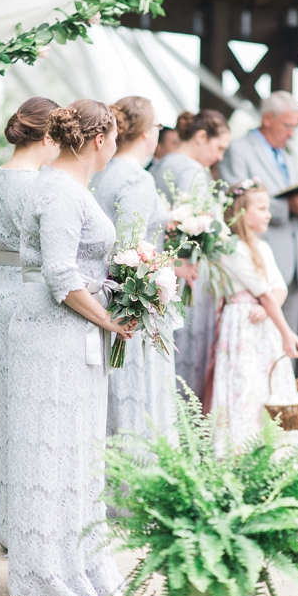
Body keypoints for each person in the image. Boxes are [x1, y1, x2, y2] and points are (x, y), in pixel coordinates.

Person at [7, 101, 135, 596]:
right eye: (115, 137)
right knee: (52, 450)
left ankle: (80, 557)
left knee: (77, 451)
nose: (118, 147)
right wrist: (110, 320)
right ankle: (46, 570)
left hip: (72, 335)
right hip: (53, 336)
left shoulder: (71, 186)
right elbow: (60, 275)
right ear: (99, 138)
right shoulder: (58, 190)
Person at [0, 97, 59, 550]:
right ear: (47, 136)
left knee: (4, 410)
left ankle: (8, 527)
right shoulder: (43, 187)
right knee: (36, 411)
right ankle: (34, 525)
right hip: (32, 295)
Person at [90, 96, 197, 441]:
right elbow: (130, 246)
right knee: (141, 391)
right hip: (133, 300)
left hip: (103, 294)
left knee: (115, 392)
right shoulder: (136, 178)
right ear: (146, 134)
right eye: (157, 127)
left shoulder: (101, 173)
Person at [208, 180, 298, 449]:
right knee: (246, 385)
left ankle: (277, 450)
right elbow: (263, 292)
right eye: (261, 208)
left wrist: (267, 307)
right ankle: (240, 449)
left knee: (272, 384)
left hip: (266, 323)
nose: (268, 214)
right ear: (241, 211)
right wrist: (287, 332)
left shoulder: (263, 247)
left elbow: (278, 289)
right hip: (243, 327)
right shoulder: (232, 247)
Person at [150, 109, 231, 402]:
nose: (220, 157)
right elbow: (193, 220)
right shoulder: (192, 170)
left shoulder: (162, 164)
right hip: (187, 270)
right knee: (188, 349)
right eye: (219, 147)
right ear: (200, 137)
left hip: (164, 267)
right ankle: (186, 421)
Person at [218, 91, 298, 334]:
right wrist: (287, 207)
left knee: (288, 338)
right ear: (268, 118)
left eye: (295, 127)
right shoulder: (238, 150)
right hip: (255, 260)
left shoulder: (287, 154)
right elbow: (235, 200)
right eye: (287, 125)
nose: (291, 133)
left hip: (292, 261)